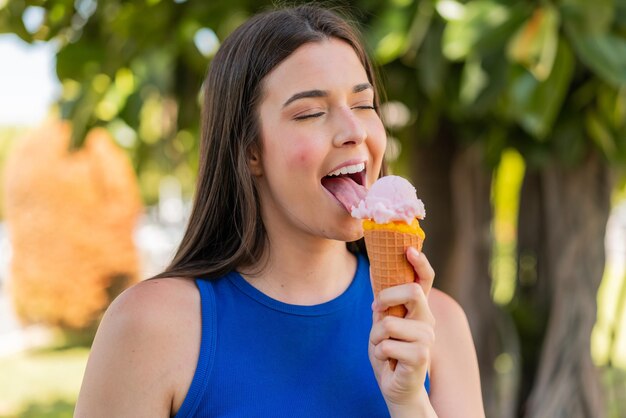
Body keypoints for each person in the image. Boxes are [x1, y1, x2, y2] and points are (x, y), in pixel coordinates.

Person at [74, 4, 484, 417]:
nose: (355, 131)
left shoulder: (438, 326)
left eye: (363, 105)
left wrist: (410, 402)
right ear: (251, 151)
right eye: (311, 112)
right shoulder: (150, 327)